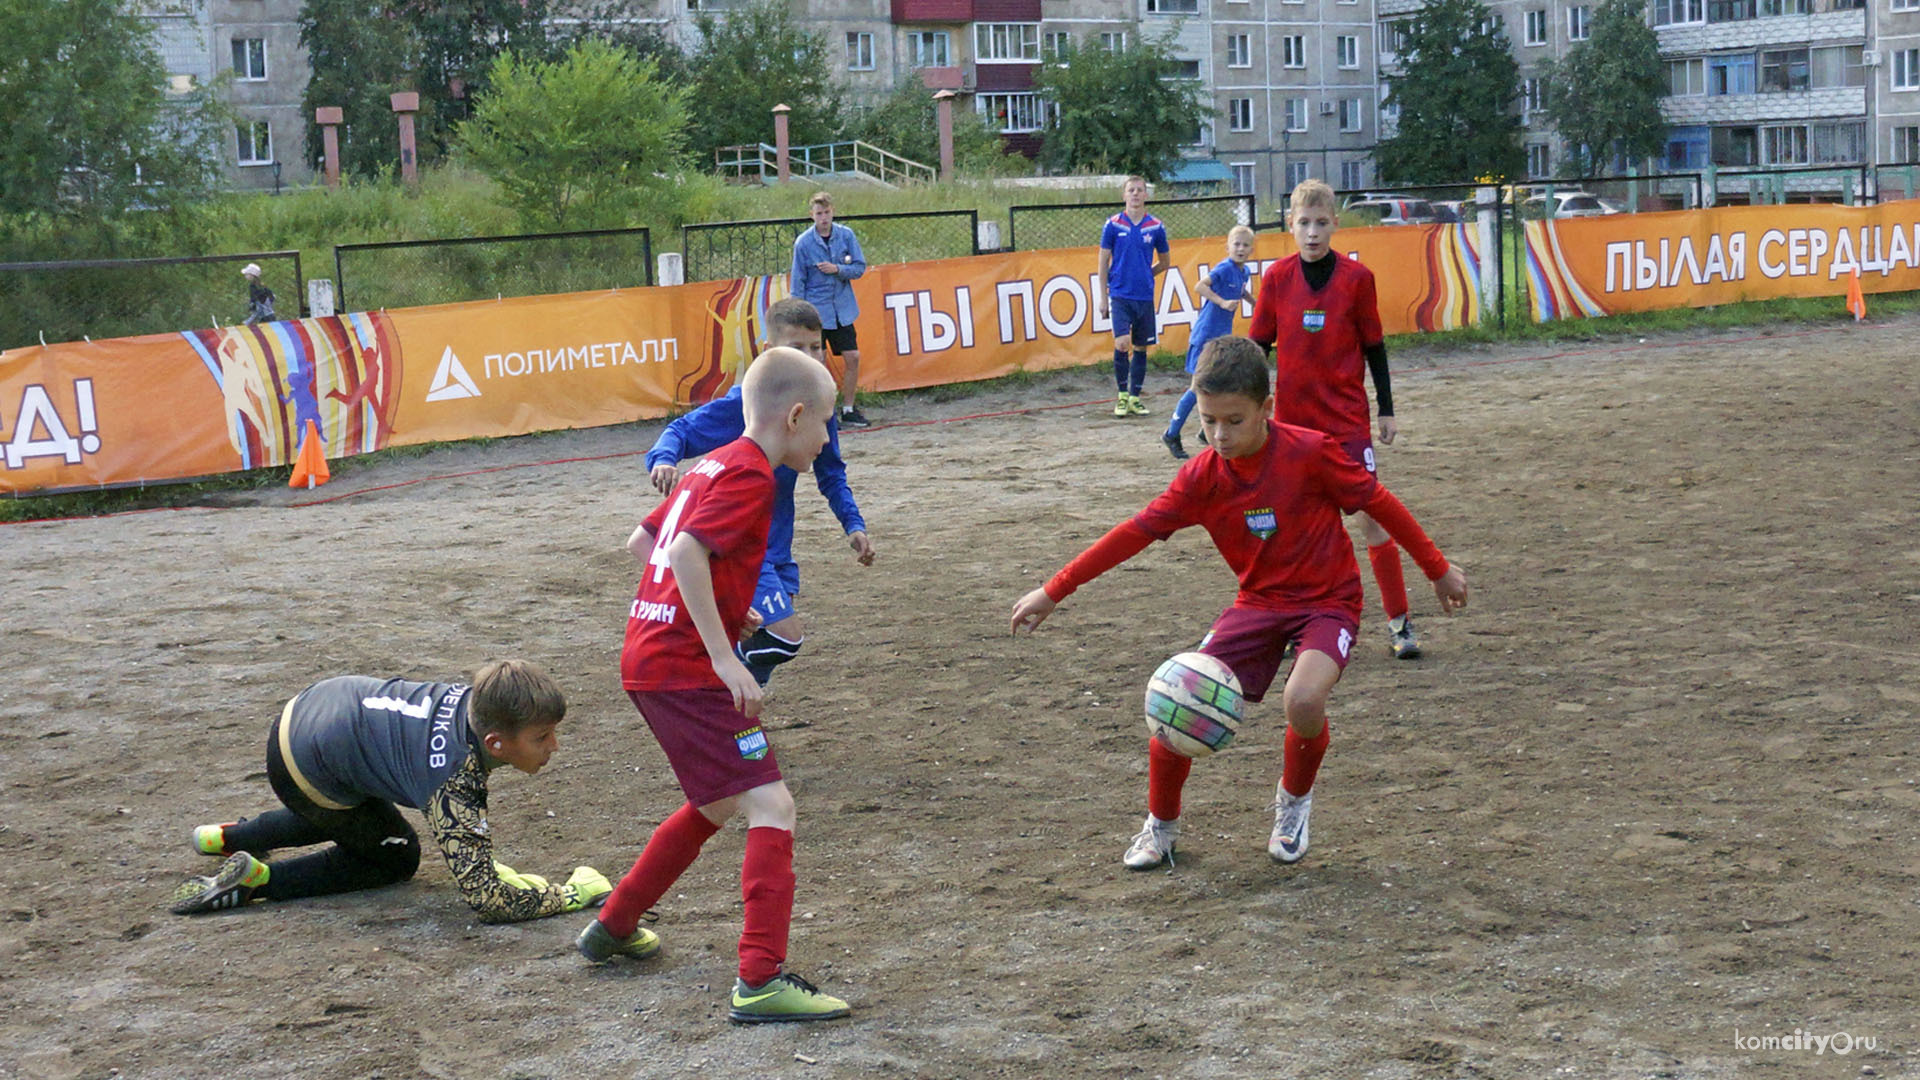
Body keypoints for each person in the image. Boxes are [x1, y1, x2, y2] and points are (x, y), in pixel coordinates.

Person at [1010, 337, 1467, 870]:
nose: (1219, 436)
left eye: (1234, 420)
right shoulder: (1201, 478)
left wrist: (1437, 569)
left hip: (1329, 602)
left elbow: (1379, 502)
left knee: (1301, 700)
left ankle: (1293, 805)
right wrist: (1053, 590)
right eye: (1207, 422)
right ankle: (1160, 828)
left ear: (1266, 410)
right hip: (1258, 604)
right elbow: (1133, 532)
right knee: (1182, 695)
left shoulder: (1310, 452)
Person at [580, 346, 851, 1025]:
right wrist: (726, 655)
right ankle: (760, 979)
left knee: (717, 803)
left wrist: (733, 605)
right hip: (684, 670)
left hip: (650, 658)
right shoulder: (752, 477)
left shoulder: (711, 466)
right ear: (794, 416)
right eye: (825, 424)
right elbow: (682, 552)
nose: (825, 439)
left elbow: (645, 545)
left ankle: (613, 924)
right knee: (773, 806)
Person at [169, 661, 614, 921]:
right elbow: (488, 899)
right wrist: (571, 894)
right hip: (304, 763)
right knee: (395, 854)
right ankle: (258, 880)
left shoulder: (477, 703)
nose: (554, 746)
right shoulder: (454, 779)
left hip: (314, 706)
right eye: (542, 737)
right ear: (496, 742)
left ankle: (228, 838)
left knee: (358, 811)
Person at [645, 297, 875, 687]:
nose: (810, 356)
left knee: (763, 638)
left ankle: (735, 708)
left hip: (776, 550)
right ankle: (716, 688)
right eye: (796, 347)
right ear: (769, 353)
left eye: (816, 346)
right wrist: (664, 459)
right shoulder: (749, 403)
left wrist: (852, 523)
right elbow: (681, 431)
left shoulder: (817, 406)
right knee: (784, 636)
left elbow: (832, 472)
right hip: (740, 549)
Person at [1249, 179, 1422, 660]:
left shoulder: (1357, 280)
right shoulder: (1277, 280)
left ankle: (1399, 623)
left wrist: (1385, 408)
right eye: (1303, 223)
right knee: (1291, 528)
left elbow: (1375, 348)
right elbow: (1257, 349)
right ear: (1290, 226)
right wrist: (1248, 409)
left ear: (1335, 225)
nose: (1312, 232)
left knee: (1372, 517)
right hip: (1293, 427)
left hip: (1346, 424)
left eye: (1321, 223)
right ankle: (1291, 624)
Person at [1163, 224, 1257, 460]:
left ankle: (1206, 433)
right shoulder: (1224, 268)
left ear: (1251, 250)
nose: (1241, 248)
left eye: (1245, 245)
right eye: (1236, 244)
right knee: (1197, 388)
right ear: (1227, 247)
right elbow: (1200, 286)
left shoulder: (1243, 272)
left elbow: (1242, 290)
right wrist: (1222, 302)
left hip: (1220, 338)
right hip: (1205, 336)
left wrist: (1256, 303)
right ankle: (1171, 433)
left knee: (1218, 384)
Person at [789, 191, 870, 428]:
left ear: (832, 211)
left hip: (842, 308)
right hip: (816, 311)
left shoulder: (846, 236)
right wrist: (800, 315)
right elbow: (798, 282)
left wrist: (837, 269)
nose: (823, 217)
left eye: (826, 212)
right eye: (819, 213)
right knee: (818, 362)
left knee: (852, 357)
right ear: (811, 215)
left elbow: (859, 267)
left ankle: (848, 408)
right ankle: (825, 413)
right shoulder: (803, 243)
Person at [1097, 176, 1170, 418]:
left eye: (1140, 190)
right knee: (1122, 343)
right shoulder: (1113, 224)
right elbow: (1102, 262)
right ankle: (1121, 396)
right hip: (1119, 295)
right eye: (1131, 190)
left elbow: (1165, 261)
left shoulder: (1156, 226)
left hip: (1144, 297)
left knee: (1141, 347)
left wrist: (1146, 275)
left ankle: (1135, 397)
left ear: (1146, 195)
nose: (1136, 194)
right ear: (1124, 195)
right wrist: (1102, 296)